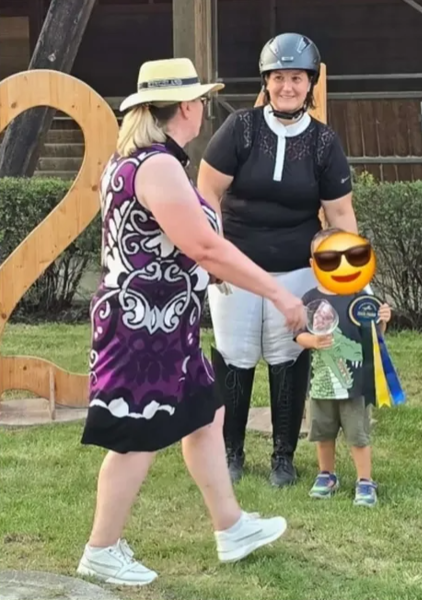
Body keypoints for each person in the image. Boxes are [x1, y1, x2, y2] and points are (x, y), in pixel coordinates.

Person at [76, 58, 307, 587]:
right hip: (142, 328)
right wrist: (277, 293)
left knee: (205, 415)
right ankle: (101, 550)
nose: (204, 108)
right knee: (135, 435)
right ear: (186, 107)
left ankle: (232, 527)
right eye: (201, 100)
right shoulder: (157, 166)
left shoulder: (139, 160)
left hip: (163, 323)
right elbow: (204, 247)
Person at [197, 32, 360, 488]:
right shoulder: (241, 128)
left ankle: (283, 458)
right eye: (278, 78)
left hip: (297, 270)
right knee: (235, 355)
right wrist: (213, 252)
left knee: (288, 355)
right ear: (265, 82)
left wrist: (353, 278)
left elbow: (340, 213)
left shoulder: (325, 143)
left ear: (310, 84)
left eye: (296, 78)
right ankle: (231, 453)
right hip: (236, 267)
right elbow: (207, 191)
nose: (287, 86)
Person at [295, 228, 392, 506]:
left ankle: (365, 481)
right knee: (323, 433)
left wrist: (383, 319)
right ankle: (326, 475)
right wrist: (313, 340)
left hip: (355, 385)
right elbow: (298, 335)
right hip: (321, 384)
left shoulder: (360, 295)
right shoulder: (309, 300)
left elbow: (376, 334)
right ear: (314, 264)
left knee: (358, 435)